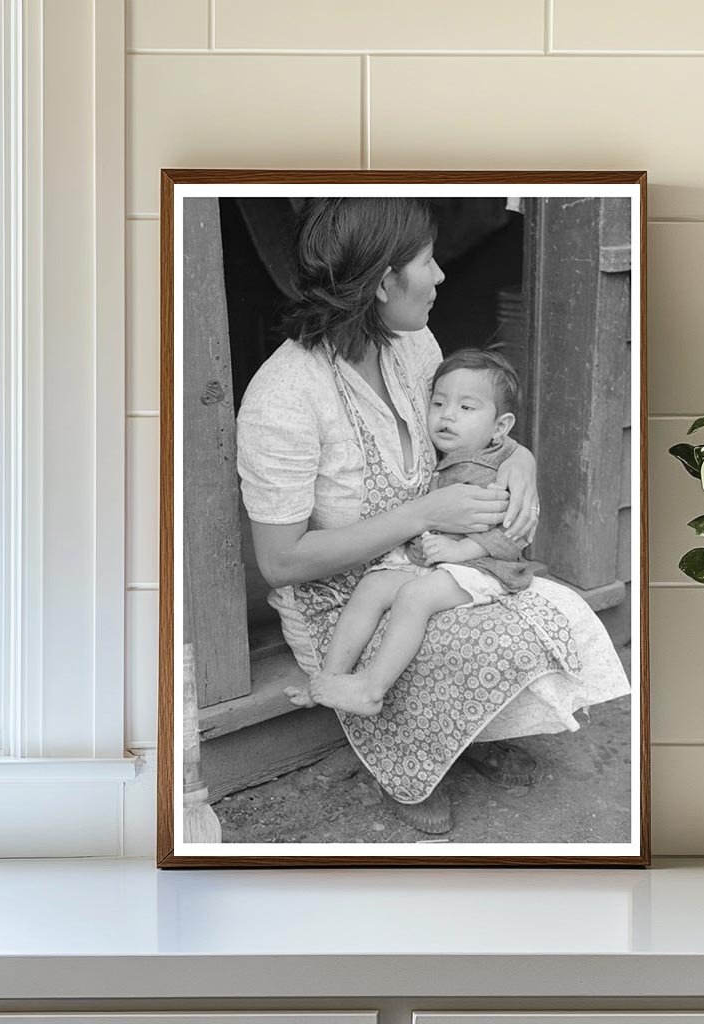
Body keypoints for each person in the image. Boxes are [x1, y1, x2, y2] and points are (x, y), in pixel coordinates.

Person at [236, 197, 629, 835]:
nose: (442, 274)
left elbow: (467, 425)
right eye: (425, 261)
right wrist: (427, 511)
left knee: (548, 610)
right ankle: (410, 762)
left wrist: (519, 458)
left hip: (427, 556)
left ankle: (465, 731)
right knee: (489, 632)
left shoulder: (413, 343)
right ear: (385, 280)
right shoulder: (282, 397)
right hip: (344, 603)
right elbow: (280, 562)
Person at [301, 346, 546, 718]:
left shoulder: (501, 470)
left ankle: (372, 688)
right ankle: (329, 678)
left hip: (486, 570)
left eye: (467, 408)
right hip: (437, 562)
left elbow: (514, 536)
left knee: (415, 597)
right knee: (372, 586)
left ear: (500, 427)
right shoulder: (439, 452)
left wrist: (459, 550)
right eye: (439, 404)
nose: (448, 416)